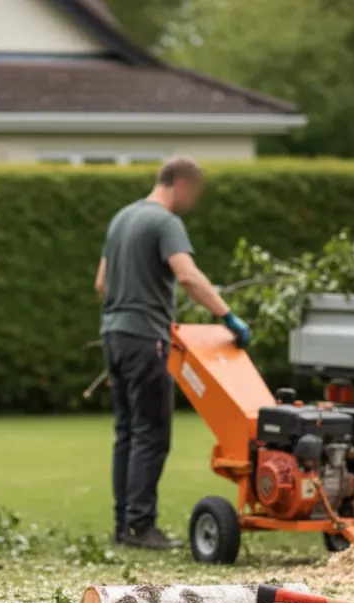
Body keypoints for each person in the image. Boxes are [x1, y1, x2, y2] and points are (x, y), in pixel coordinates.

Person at [94, 157, 252, 549]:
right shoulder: (165, 222)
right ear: (181, 183)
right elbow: (187, 275)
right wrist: (227, 315)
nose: (193, 200)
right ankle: (142, 527)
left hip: (113, 337)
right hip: (148, 338)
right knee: (152, 434)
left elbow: (101, 283)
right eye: (193, 191)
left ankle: (124, 525)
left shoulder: (121, 219)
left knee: (127, 433)